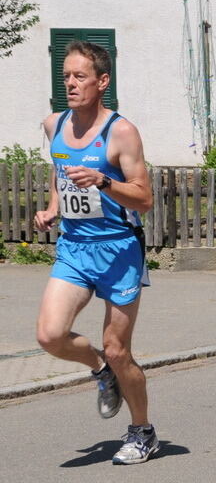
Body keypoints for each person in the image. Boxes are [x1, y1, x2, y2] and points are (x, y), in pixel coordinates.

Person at [34, 41, 158, 464]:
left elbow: (144, 199)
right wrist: (53, 208)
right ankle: (101, 370)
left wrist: (103, 182)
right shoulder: (54, 124)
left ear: (102, 81)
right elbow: (58, 169)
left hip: (119, 250)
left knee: (120, 348)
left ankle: (142, 431)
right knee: (50, 335)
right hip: (73, 247)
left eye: (79, 76)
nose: (70, 83)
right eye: (66, 75)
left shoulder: (121, 132)